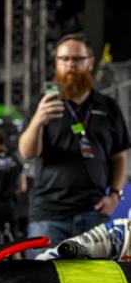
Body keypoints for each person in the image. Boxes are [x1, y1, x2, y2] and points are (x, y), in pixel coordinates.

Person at [19, 33, 129, 257]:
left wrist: (115, 195)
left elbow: (119, 156)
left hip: (94, 211)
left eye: (77, 59)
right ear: (56, 63)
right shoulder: (43, 102)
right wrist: (38, 121)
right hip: (49, 214)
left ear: (90, 62)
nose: (70, 64)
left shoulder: (107, 106)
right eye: (64, 59)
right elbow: (27, 152)